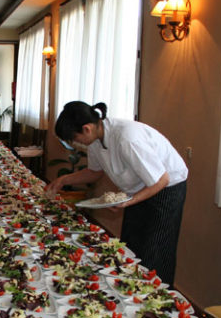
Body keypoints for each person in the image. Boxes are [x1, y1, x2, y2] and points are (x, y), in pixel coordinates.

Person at [47, 101, 188, 285]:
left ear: (86, 129)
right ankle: (130, 292)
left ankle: (158, 302)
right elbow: (95, 172)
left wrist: (128, 202)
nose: (75, 143)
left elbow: (162, 179)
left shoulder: (127, 138)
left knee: (155, 250)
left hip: (166, 189)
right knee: (131, 246)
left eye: (75, 138)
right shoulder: (96, 141)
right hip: (140, 187)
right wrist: (63, 180)